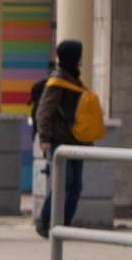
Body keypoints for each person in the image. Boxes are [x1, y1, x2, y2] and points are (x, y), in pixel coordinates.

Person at [30, 39, 91, 237]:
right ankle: (45, 219)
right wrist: (44, 138)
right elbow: (43, 111)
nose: (81, 58)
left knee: (77, 185)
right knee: (65, 180)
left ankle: (64, 225)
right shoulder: (57, 80)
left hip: (75, 140)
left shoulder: (76, 78)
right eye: (79, 54)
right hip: (58, 139)